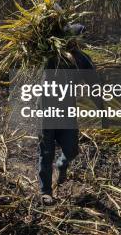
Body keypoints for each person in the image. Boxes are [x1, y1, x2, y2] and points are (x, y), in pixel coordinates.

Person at [38, 23, 96, 206]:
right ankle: (45, 191)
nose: (82, 42)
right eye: (80, 37)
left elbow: (94, 83)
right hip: (46, 109)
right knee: (46, 152)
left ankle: (62, 165)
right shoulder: (50, 54)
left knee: (71, 149)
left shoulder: (82, 59)